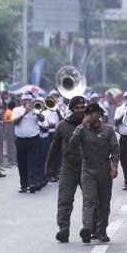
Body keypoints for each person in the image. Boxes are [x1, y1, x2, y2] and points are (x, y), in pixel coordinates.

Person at [69, 103, 119, 243]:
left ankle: (101, 230)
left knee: (103, 201)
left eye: (92, 113)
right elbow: (72, 144)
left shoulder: (108, 130)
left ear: (99, 114)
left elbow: (115, 148)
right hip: (88, 168)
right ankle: (87, 228)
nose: (89, 116)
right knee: (89, 199)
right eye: (87, 113)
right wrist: (81, 128)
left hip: (104, 167)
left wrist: (114, 165)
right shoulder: (82, 129)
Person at [45, 95, 87, 243]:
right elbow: (54, 147)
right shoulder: (62, 125)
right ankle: (63, 229)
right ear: (71, 109)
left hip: (87, 168)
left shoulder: (90, 123)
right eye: (77, 108)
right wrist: (48, 166)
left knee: (90, 199)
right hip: (68, 167)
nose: (80, 110)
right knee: (65, 199)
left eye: (82, 108)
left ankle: (89, 228)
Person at [12, 92, 46, 193]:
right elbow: (14, 122)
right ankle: (23, 185)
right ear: (21, 101)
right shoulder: (17, 110)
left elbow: (43, 119)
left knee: (33, 162)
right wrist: (24, 113)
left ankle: (32, 183)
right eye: (25, 100)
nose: (27, 102)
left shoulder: (36, 108)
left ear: (32, 101)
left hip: (33, 140)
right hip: (20, 140)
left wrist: (37, 112)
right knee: (22, 163)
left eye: (29, 100)